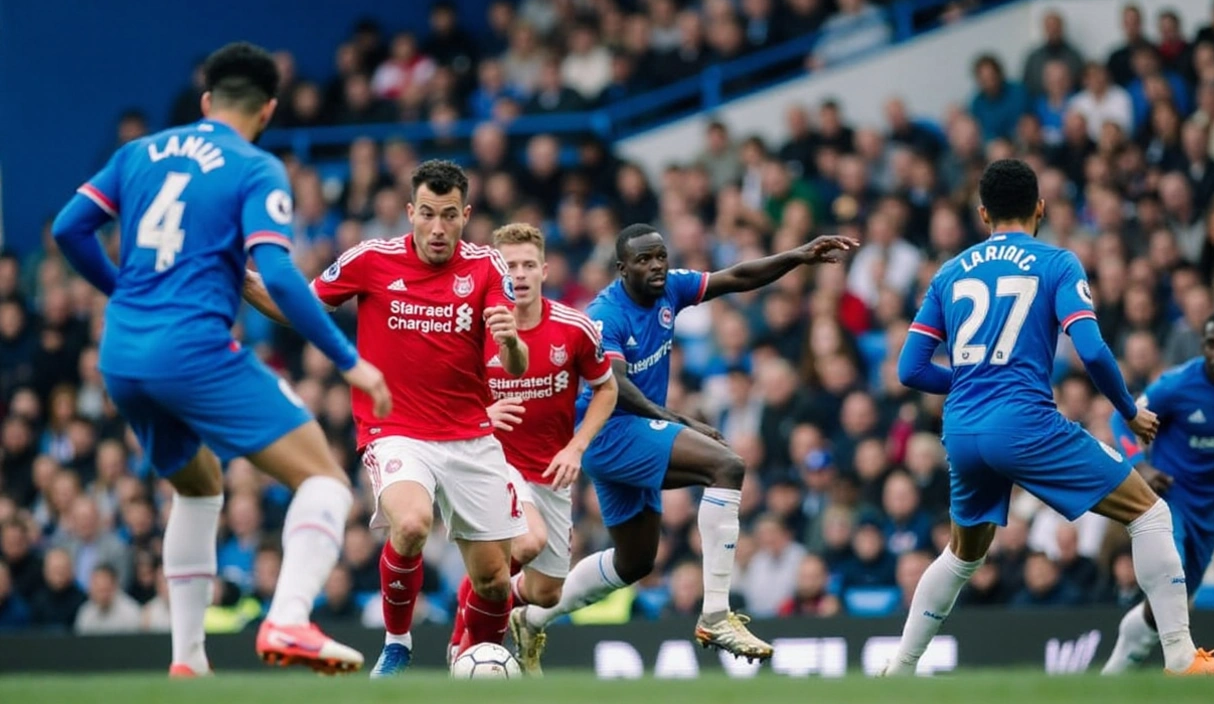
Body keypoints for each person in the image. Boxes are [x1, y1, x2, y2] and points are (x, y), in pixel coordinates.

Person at [51, 42, 391, 677]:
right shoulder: (255, 166)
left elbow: (70, 228)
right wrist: (349, 361)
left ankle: (188, 662)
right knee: (325, 480)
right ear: (267, 109)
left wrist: (125, 291)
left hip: (122, 356)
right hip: (193, 350)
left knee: (200, 485)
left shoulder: (138, 153)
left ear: (206, 102)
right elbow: (282, 277)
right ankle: (289, 617)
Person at [884, 158, 1214, 676]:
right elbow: (1092, 348)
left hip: (963, 430)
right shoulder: (1056, 262)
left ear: (982, 213)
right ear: (1040, 207)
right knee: (1149, 513)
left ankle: (899, 668)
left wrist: (974, 381)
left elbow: (909, 369)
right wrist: (1129, 411)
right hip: (1023, 423)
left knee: (962, 554)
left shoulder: (949, 272)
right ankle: (1180, 656)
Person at [508, 223, 856, 669]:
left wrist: (798, 255)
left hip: (632, 433)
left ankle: (532, 619)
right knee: (726, 467)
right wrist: (678, 419)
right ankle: (715, 614)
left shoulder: (670, 289)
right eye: (644, 260)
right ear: (621, 268)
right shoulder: (605, 315)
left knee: (634, 563)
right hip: (610, 432)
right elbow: (614, 384)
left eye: (660, 256)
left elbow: (737, 277)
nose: (656, 266)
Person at [242, 159, 530, 678]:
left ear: (465, 215)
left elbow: (515, 364)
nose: (437, 228)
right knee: (413, 522)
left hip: (469, 433)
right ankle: (397, 644)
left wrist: (511, 340)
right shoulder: (371, 260)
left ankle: (474, 663)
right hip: (395, 430)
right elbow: (300, 308)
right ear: (409, 213)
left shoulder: (489, 267)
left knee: (491, 580)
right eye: (426, 214)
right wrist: (238, 277)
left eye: (448, 215)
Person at [445, 222, 618, 674]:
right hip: (489, 461)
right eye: (508, 266)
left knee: (545, 593)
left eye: (527, 265)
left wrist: (577, 447)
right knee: (528, 540)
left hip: (550, 471)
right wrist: (484, 417)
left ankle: (498, 606)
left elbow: (606, 390)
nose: (518, 275)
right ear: (495, 273)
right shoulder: (471, 329)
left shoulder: (574, 328)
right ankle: (463, 643)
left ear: (544, 269)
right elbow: (441, 397)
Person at [1101, 311, 1214, 672]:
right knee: (1172, 576)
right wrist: (1140, 464)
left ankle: (1111, 678)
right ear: (1203, 347)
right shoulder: (1177, 385)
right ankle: (1186, 663)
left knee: (1168, 601)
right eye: (1212, 344)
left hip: (1211, 509)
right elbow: (1120, 416)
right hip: (1169, 498)